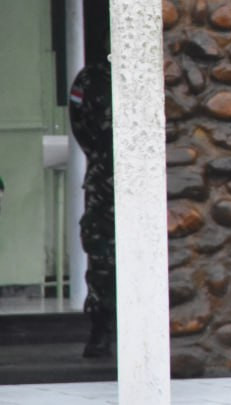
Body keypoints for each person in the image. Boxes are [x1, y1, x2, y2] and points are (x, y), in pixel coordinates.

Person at [68, 56, 115, 358]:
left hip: (147, 177)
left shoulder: (149, 68)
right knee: (101, 259)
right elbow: (79, 123)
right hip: (104, 182)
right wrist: (101, 156)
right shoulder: (91, 79)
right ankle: (101, 328)